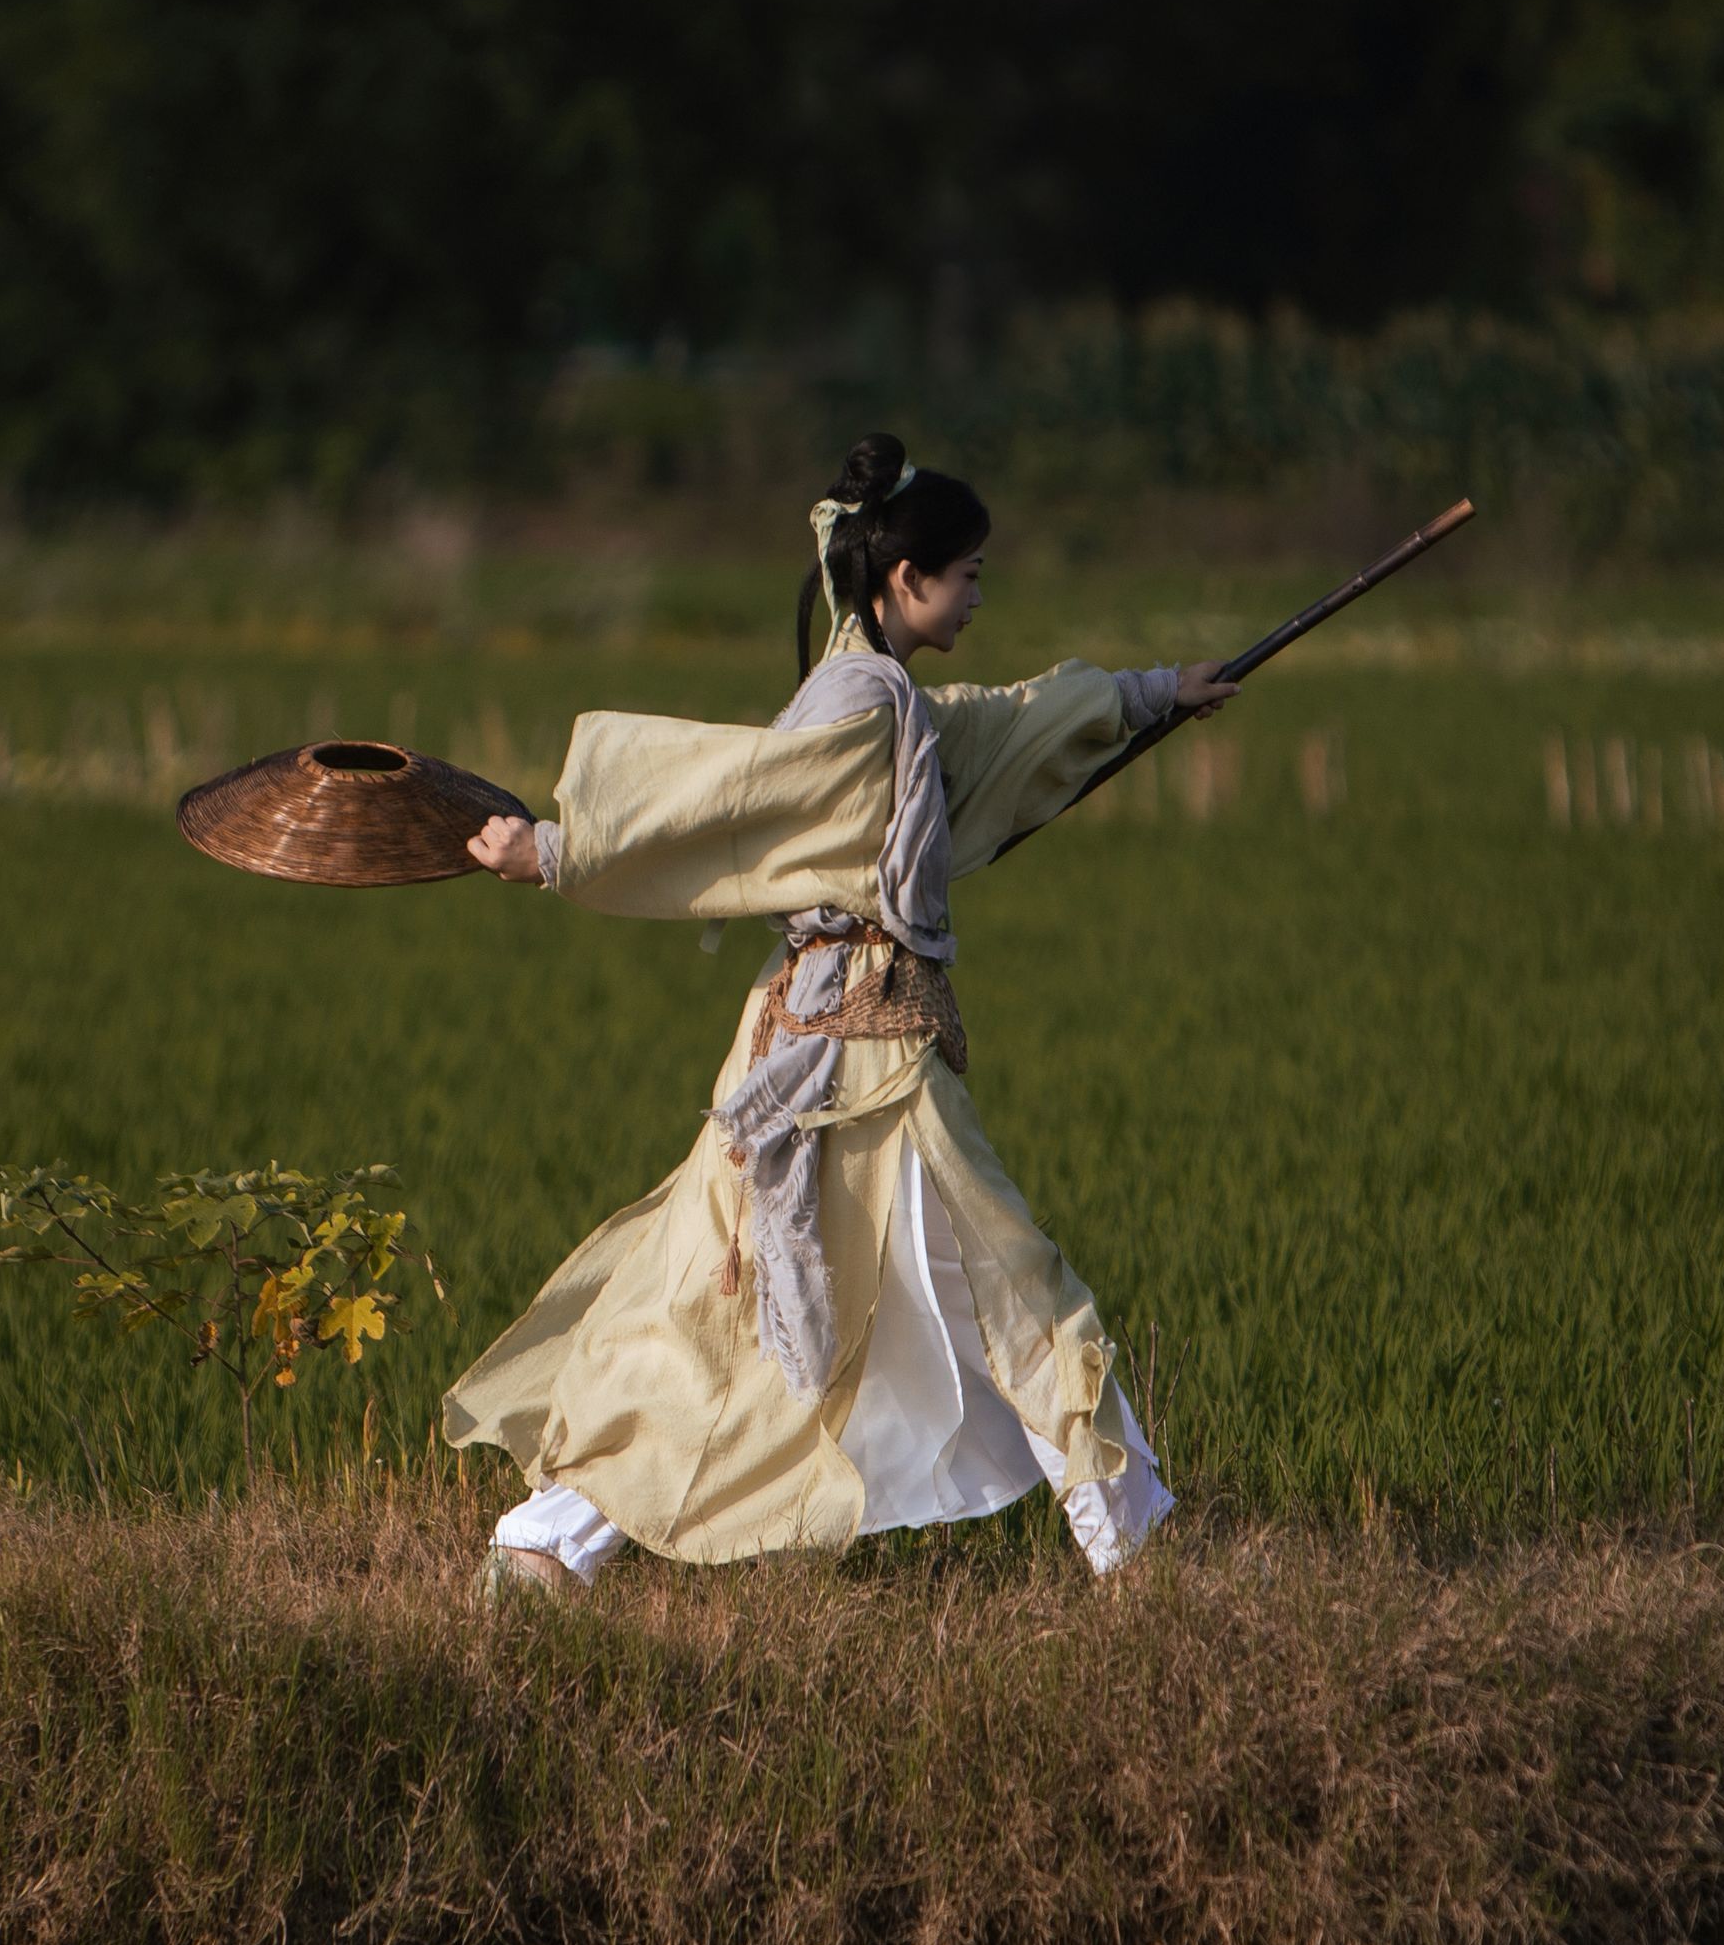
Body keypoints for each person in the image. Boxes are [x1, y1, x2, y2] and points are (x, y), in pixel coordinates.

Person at [443, 432, 1239, 1589]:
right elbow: (730, 802)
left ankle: (549, 1542)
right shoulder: (857, 709)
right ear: (901, 580)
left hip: (840, 1046)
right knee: (985, 1290)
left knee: (742, 1309)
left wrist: (1156, 694)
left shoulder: (891, 699)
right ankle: (1140, 1548)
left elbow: (999, 721)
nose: (977, 592)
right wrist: (557, 850)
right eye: (963, 572)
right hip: (851, 1055)